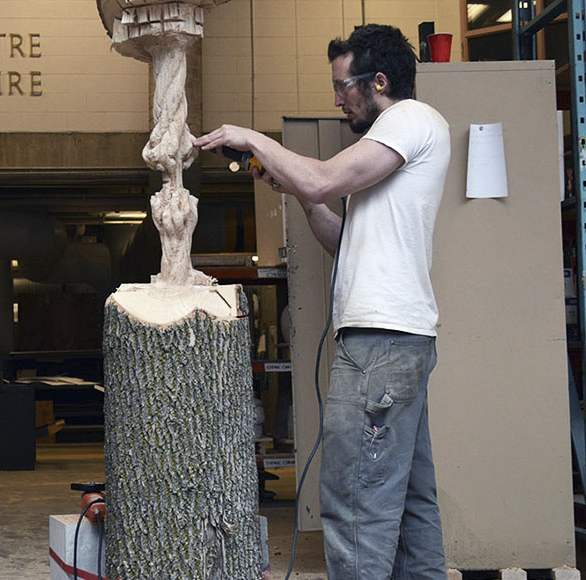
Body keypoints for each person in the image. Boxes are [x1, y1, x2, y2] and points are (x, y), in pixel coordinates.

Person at [193, 24, 450, 579]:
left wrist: (252, 138)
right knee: (410, 508)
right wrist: (301, 198)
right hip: (396, 344)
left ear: (378, 81)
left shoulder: (406, 120)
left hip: (381, 347)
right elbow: (344, 239)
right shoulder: (392, 148)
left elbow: (324, 178)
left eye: (343, 86)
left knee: (355, 504)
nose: (337, 99)